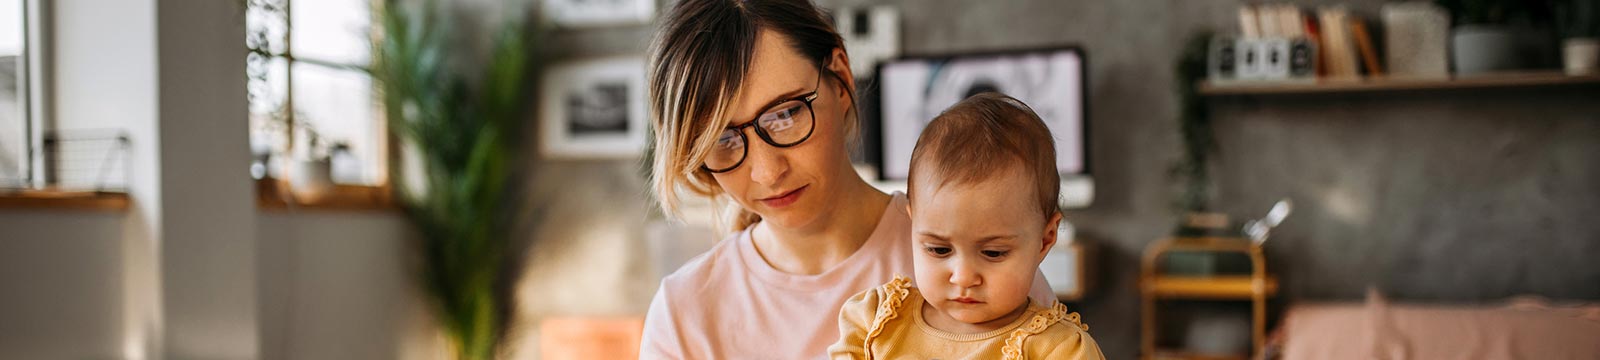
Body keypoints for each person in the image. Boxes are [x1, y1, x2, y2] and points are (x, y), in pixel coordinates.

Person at [639, 1, 1055, 358]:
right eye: (722, 140)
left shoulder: (975, 262)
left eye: (785, 114)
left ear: (840, 78)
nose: (767, 171)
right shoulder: (684, 313)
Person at [828, 93, 1105, 360]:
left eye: (993, 253)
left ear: (1046, 239)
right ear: (912, 224)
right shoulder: (874, 324)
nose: (962, 277)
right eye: (938, 249)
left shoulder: (1058, 349)